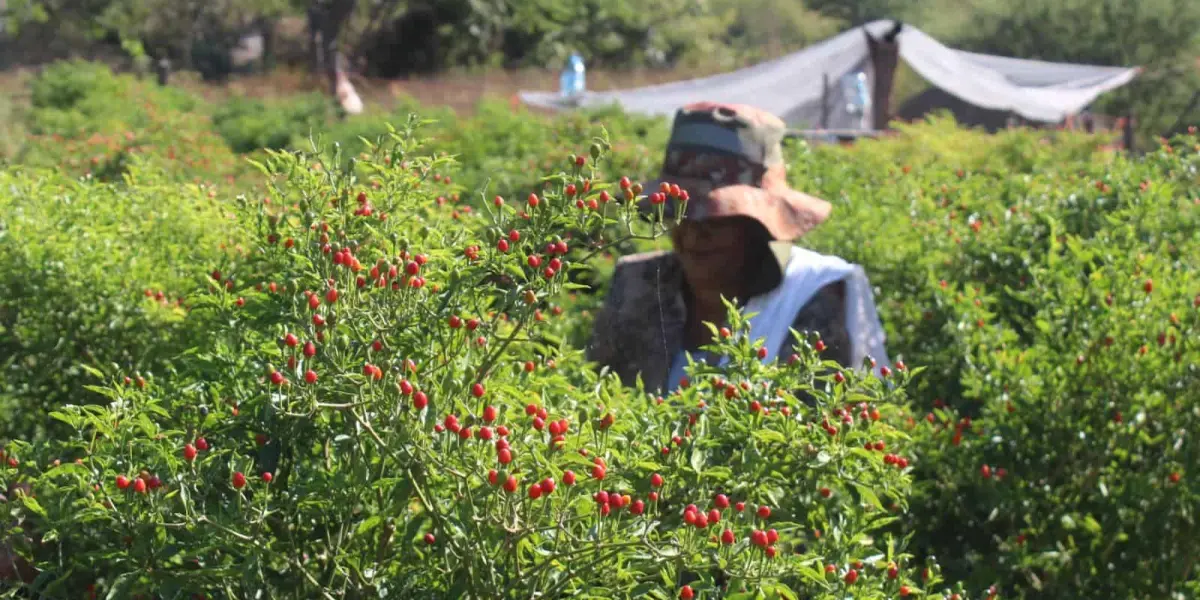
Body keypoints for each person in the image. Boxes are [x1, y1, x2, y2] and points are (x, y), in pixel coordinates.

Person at [586, 102, 890, 393]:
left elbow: (816, 428)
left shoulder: (812, 293)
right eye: (682, 216)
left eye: (714, 220)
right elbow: (599, 393)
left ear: (756, 227)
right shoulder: (639, 283)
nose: (692, 237)